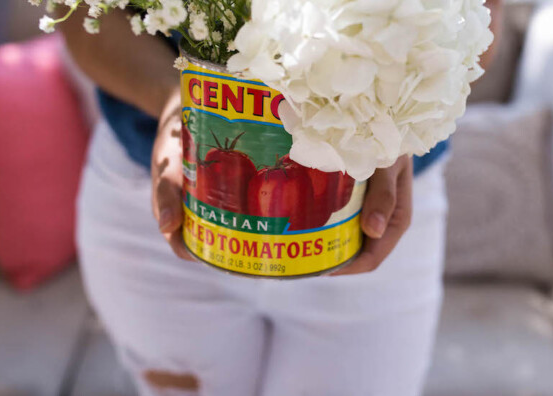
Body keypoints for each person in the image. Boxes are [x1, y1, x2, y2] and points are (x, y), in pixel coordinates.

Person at [61, 2, 502, 395]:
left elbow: (475, 22)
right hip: (157, 203)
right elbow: (80, 15)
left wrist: (388, 133)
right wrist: (176, 103)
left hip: (366, 211)